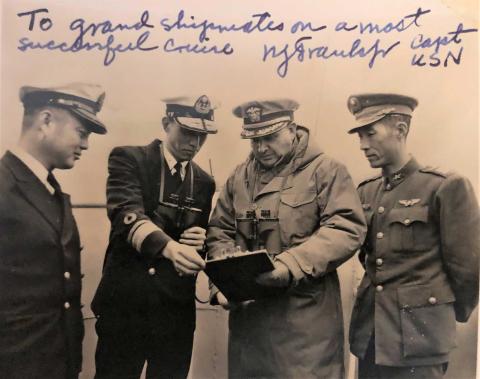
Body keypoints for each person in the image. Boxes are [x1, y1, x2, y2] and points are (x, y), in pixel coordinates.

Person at [206, 99, 366, 378]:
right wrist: (222, 285)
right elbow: (219, 231)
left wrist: (290, 265)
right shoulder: (238, 176)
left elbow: (345, 228)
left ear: (292, 129)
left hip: (304, 332)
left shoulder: (326, 171)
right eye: (254, 140)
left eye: (270, 137)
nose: (261, 148)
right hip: (248, 329)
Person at [346, 93, 479, 379]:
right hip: (371, 337)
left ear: (401, 130)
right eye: (359, 136)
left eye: (370, 134)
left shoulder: (444, 187)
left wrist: (439, 315)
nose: (363, 145)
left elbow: (468, 268)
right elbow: (368, 256)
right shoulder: (366, 191)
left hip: (419, 339)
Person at [92, 95, 217, 379]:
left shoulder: (205, 182)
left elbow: (200, 246)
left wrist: (202, 243)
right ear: (166, 123)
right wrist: (171, 247)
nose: (195, 144)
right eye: (188, 132)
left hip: (175, 316)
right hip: (126, 310)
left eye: (202, 136)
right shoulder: (129, 159)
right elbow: (127, 217)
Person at [0, 83, 107, 379]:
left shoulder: (49, 190)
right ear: (46, 121)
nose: (85, 145)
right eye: (81, 133)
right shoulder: (4, 188)